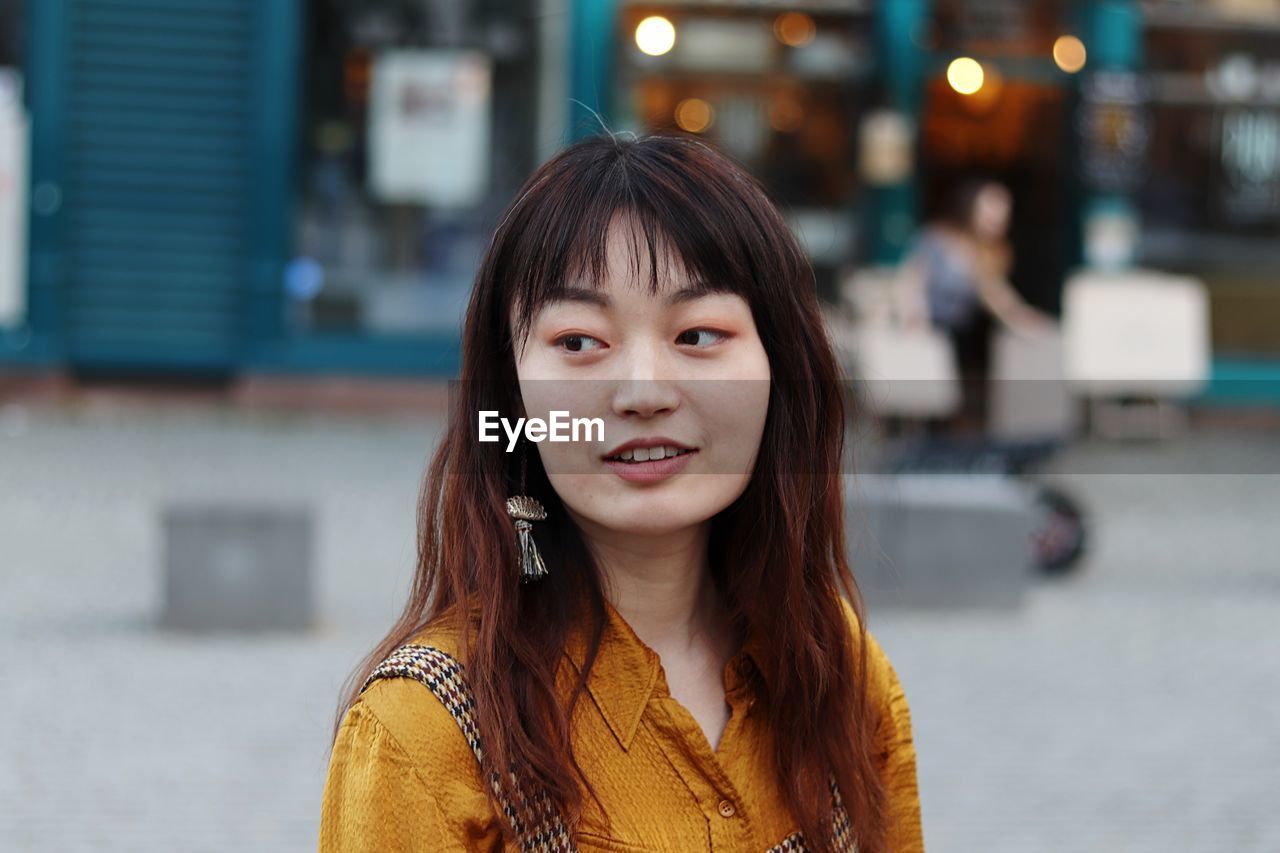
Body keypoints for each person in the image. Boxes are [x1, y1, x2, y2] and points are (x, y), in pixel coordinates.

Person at [319, 134, 924, 852]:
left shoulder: (842, 674)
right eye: (579, 342)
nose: (642, 391)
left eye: (698, 333)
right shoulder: (423, 734)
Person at [895, 179, 1055, 431]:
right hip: (927, 331)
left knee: (950, 403)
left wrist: (1023, 318)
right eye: (991, 210)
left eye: (1003, 211)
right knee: (924, 402)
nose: (997, 218)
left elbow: (994, 294)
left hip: (960, 338)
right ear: (971, 209)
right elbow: (911, 281)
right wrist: (915, 318)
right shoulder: (937, 239)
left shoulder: (994, 252)